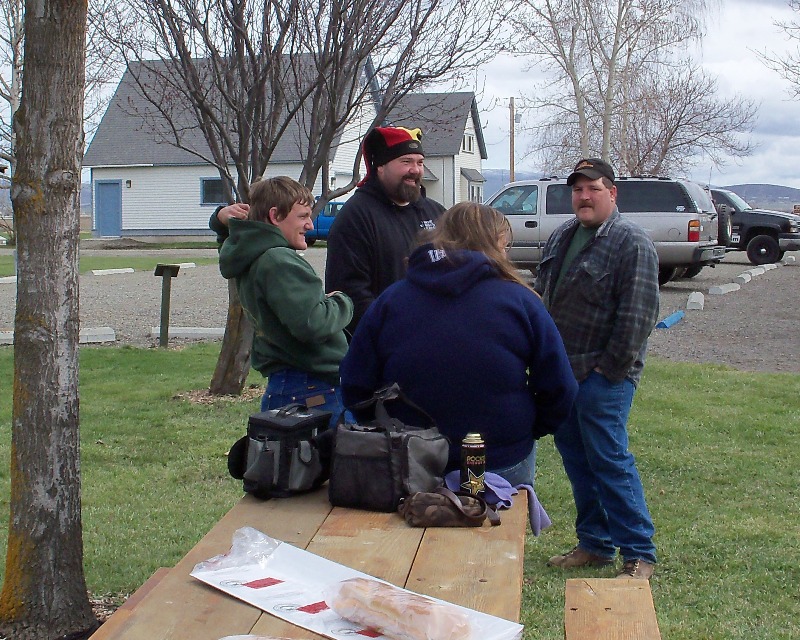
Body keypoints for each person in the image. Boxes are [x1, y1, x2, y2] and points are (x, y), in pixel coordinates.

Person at [339, 202, 577, 487]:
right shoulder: (522, 301)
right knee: (492, 533)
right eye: (505, 245)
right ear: (493, 244)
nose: (506, 253)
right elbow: (560, 387)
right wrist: (526, 429)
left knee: (412, 531)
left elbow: (355, 384)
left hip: (408, 457)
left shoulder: (390, 301)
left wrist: (383, 427)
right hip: (500, 459)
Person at [533, 158, 660, 580]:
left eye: (594, 189)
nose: (584, 197)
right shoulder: (563, 236)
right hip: (562, 374)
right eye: (578, 190)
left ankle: (639, 553)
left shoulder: (631, 242)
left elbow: (638, 315)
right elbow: (543, 295)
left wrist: (608, 372)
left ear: (612, 193)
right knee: (577, 461)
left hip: (603, 377)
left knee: (610, 460)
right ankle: (595, 544)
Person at [217, 176, 353, 425]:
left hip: (288, 386)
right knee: (341, 462)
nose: (310, 225)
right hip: (313, 389)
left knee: (293, 463)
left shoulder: (250, 253)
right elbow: (312, 323)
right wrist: (342, 301)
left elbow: (231, 238)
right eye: (303, 216)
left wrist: (220, 221)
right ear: (274, 216)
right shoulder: (279, 261)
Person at [325, 126, 446, 334]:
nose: (415, 170)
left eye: (420, 162)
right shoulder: (356, 217)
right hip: (385, 344)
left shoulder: (436, 213)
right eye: (406, 162)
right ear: (380, 166)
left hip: (437, 337)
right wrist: (394, 334)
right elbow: (350, 294)